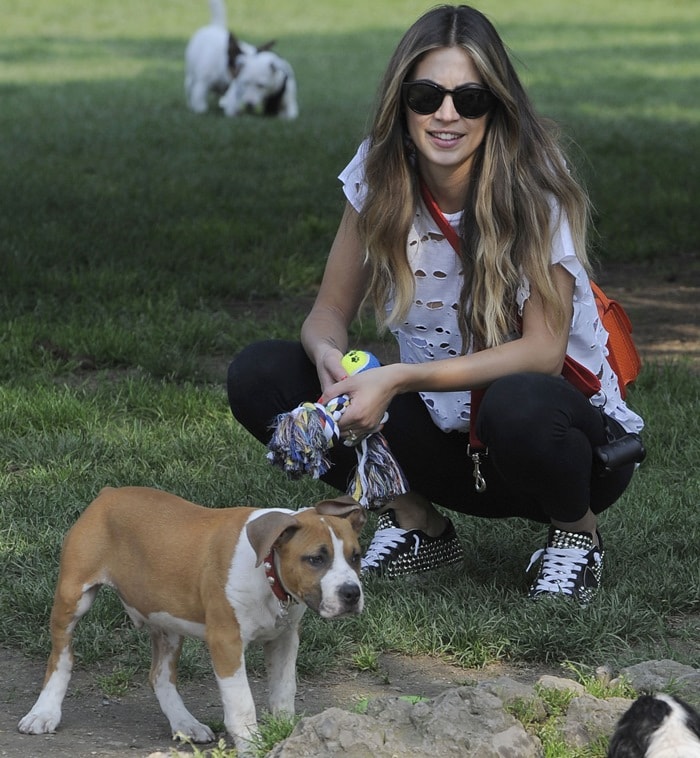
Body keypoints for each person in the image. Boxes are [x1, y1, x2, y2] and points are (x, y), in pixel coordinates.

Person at [227, 4, 644, 604]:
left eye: (469, 99)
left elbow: (545, 353)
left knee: (519, 401)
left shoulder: (535, 182)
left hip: (558, 451)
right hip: (443, 438)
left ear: (495, 107)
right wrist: (326, 357)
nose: (446, 115)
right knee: (261, 373)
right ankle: (416, 520)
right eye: (427, 96)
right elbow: (326, 312)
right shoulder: (378, 173)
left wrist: (398, 377)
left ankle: (577, 536)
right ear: (403, 103)